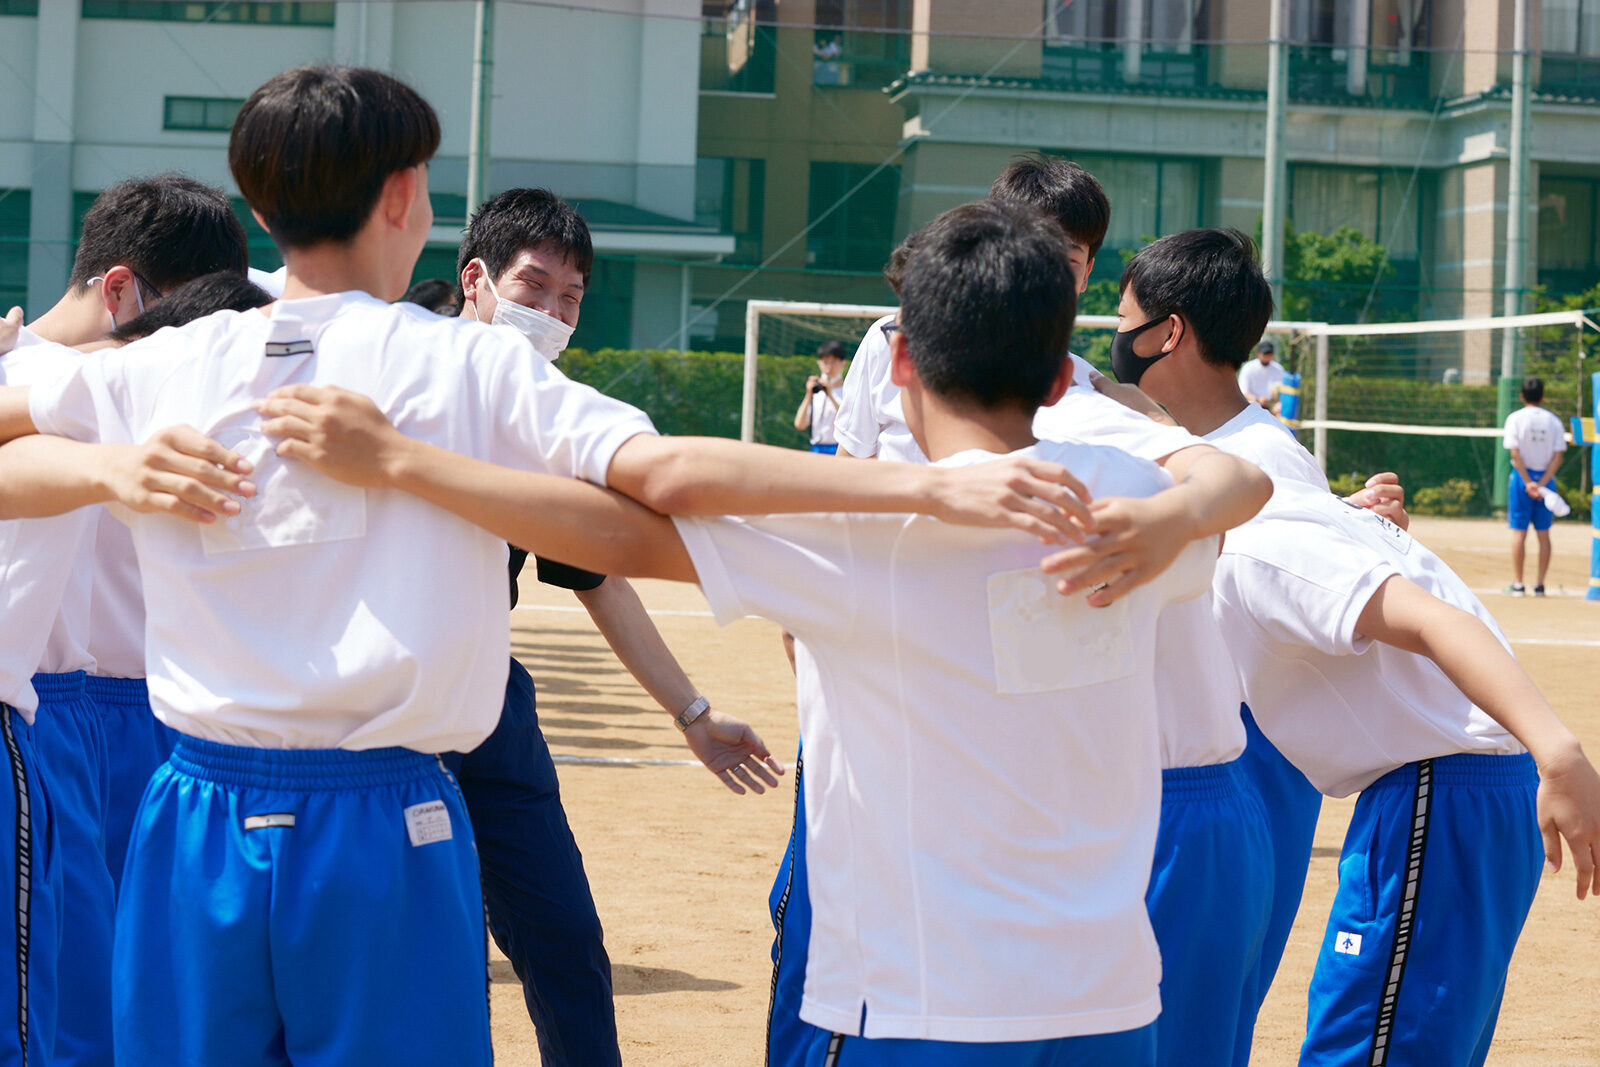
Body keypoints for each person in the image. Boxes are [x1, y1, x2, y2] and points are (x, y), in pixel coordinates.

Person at [0, 65, 1097, 1065]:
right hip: (382, 821)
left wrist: (108, 468)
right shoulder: (468, 365)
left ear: (259, 207)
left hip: (191, 814)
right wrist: (917, 483)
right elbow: (664, 471)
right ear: (402, 196)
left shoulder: (167, 362)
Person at [252, 197, 1255, 1067]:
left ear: (897, 357)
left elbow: (622, 523)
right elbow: (1233, 475)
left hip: (912, 1002)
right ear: (1057, 375)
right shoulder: (1130, 499)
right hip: (1109, 999)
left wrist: (399, 460)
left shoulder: (865, 533)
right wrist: (1180, 508)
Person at [1098, 226, 1600, 1066]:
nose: (1112, 338)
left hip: (1442, 792)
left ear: (1170, 333)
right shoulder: (1250, 454)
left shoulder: (1253, 533)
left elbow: (1429, 618)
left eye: (1122, 317)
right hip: (1444, 791)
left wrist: (1559, 749)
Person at [826, 156, 1279, 1067]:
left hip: (1139, 793)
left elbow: (1239, 481)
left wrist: (1168, 516)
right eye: (1053, 254)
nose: (1072, 273)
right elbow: (1239, 482)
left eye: (1081, 257)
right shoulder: (890, 408)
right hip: (939, 771)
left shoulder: (1112, 428)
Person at [450, 185, 774, 1066]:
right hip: (382, 711)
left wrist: (694, 714)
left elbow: (600, 577)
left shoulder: (543, 406)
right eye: (534, 288)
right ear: (472, 280)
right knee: (424, 960)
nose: (553, 313)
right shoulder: (399, 369)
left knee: (563, 940)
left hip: (488, 700)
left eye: (571, 298)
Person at [15, 174, 250, 1067]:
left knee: (134, 996)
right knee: (79, 995)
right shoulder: (49, 382)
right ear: (121, 292)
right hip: (51, 710)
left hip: (151, 708)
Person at [1503, 375, 1567, 597]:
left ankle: (1519, 585)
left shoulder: (1515, 418)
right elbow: (1558, 457)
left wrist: (1528, 482)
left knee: (1519, 531)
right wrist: (1541, 484)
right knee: (1543, 533)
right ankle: (1540, 585)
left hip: (1521, 479)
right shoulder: (1554, 421)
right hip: (1546, 480)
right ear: (1543, 396)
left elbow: (1514, 452)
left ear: (1522, 396)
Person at [793, 341, 848, 454]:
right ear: (819, 363)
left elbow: (848, 421)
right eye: (825, 362)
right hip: (816, 448)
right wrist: (808, 395)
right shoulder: (816, 392)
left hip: (838, 449)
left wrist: (830, 394)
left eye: (833, 362)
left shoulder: (848, 391)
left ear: (843, 363)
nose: (829, 367)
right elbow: (800, 424)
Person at [1237, 339, 1284, 412]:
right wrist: (1258, 400)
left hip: (1271, 404)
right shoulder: (1248, 368)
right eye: (1265, 354)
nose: (1267, 356)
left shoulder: (1278, 369)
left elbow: (1282, 391)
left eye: (1269, 354)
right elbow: (1244, 391)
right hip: (1252, 403)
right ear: (1258, 354)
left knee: (1280, 407)